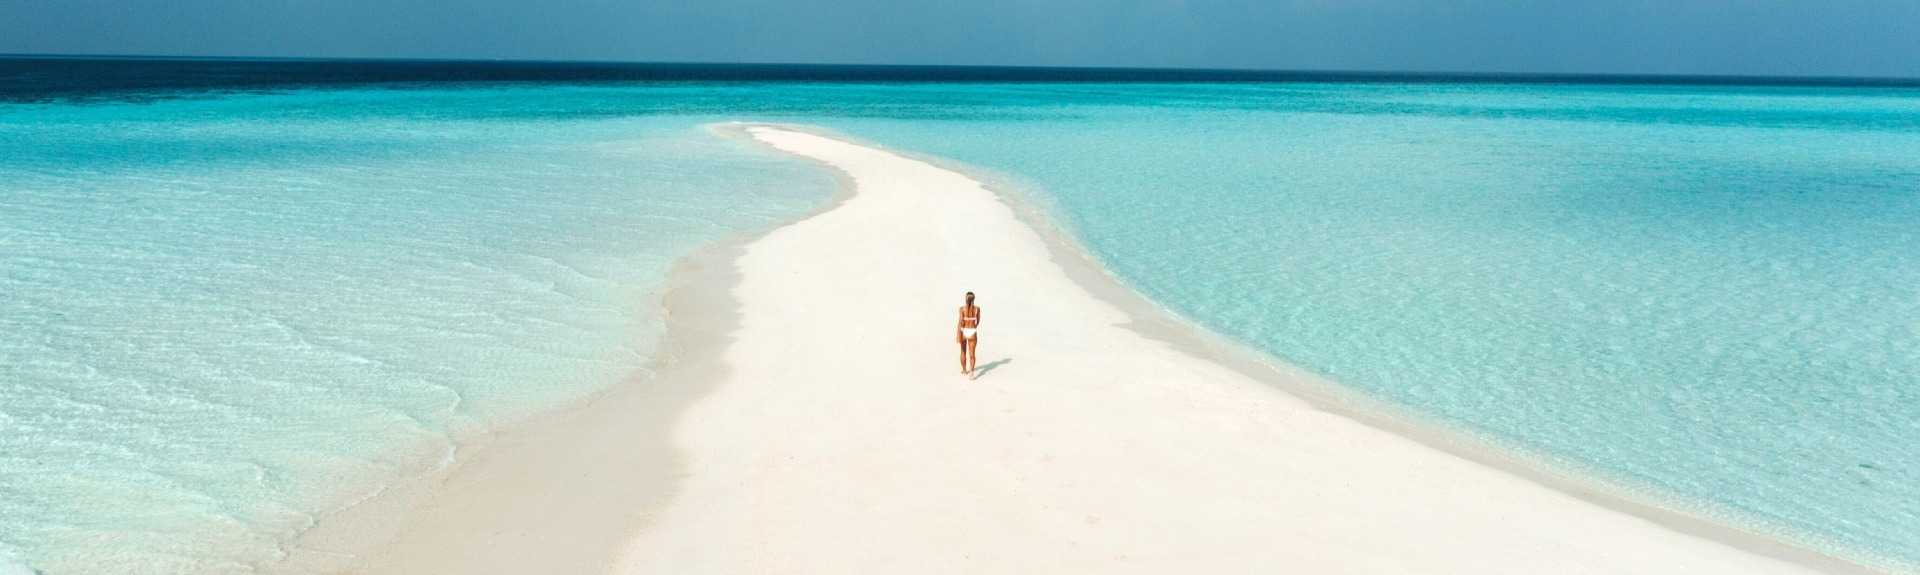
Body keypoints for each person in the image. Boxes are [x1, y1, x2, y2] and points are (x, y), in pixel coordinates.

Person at [956, 291, 981, 379]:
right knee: (972, 354)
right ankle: (971, 373)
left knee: (963, 351)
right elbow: (977, 322)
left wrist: (958, 334)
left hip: (963, 331)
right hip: (972, 331)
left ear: (966, 299)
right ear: (974, 299)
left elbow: (961, 322)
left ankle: (964, 370)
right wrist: (973, 326)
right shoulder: (977, 309)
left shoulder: (962, 309)